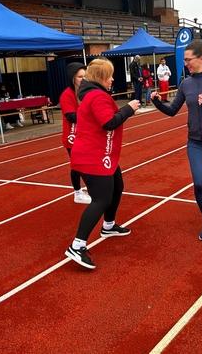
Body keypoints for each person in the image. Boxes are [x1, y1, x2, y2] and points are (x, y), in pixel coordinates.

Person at [150, 40, 202, 242]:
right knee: (198, 183)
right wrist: (156, 101)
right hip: (195, 143)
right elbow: (172, 111)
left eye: (188, 60)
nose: (185, 63)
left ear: (200, 58)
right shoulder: (186, 83)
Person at [65, 58, 140, 269]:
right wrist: (129, 108)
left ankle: (108, 225)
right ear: (101, 77)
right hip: (92, 157)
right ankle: (77, 245)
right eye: (110, 75)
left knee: (117, 186)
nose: (113, 79)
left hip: (99, 154)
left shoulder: (93, 95)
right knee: (101, 199)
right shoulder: (96, 96)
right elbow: (108, 122)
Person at [59, 62, 91, 205]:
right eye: (79, 77)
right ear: (72, 78)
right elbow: (71, 116)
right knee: (77, 165)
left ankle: (89, 188)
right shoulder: (67, 95)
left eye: (85, 76)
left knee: (88, 162)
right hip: (72, 135)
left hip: (85, 134)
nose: (83, 79)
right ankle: (77, 192)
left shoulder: (86, 92)